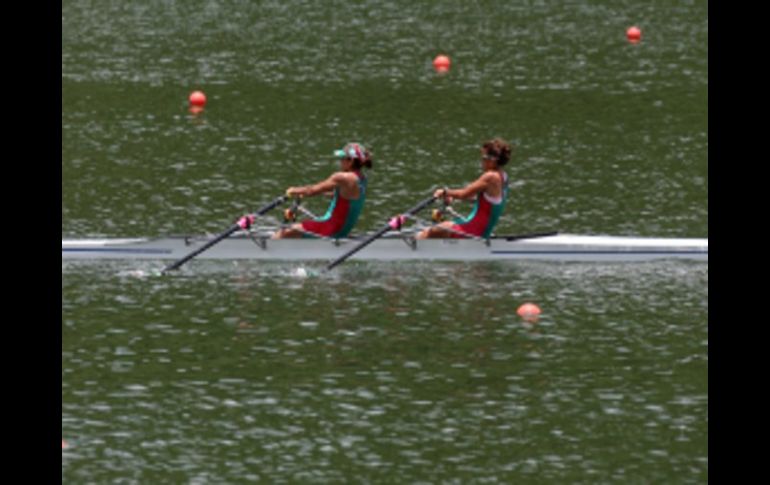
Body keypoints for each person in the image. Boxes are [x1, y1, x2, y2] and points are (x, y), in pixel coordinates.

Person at [417, 138, 512, 239]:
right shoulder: (503, 177)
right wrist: (452, 197)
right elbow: (482, 199)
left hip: (473, 231)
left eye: (483, 158)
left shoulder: (490, 177)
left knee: (431, 232)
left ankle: (410, 246)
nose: (481, 161)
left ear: (492, 160)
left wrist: (445, 192)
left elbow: (464, 193)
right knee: (439, 228)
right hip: (481, 230)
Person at [272, 142, 372, 239]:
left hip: (331, 228)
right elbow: (342, 197)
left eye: (342, 158)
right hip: (343, 230)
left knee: (287, 231)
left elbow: (311, 190)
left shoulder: (342, 177)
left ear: (351, 161)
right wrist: (322, 193)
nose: (340, 161)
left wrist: (293, 190)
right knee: (303, 225)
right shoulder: (361, 179)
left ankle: (270, 247)